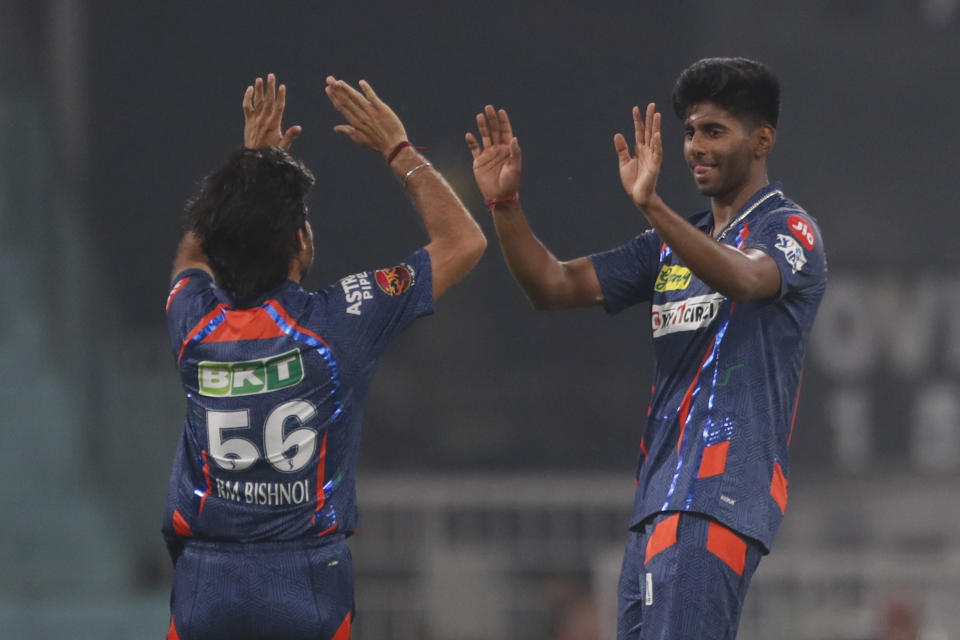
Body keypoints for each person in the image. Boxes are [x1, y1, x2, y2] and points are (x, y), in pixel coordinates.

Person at [466, 57, 826, 639]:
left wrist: (651, 206)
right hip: (659, 502)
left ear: (763, 139)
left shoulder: (788, 230)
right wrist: (504, 208)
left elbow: (745, 278)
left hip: (718, 494)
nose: (695, 147)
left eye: (715, 131)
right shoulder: (668, 247)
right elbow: (552, 286)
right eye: (689, 131)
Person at [162, 73, 485, 640]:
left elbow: (194, 253)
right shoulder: (339, 325)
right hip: (305, 582)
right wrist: (398, 148)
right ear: (301, 243)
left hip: (205, 585)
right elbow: (464, 241)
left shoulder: (192, 324)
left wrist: (250, 168)